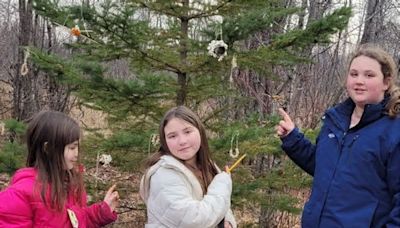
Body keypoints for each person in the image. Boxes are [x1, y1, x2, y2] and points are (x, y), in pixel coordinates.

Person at [276, 43, 400, 227]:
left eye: (369, 75)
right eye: (354, 74)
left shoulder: (393, 131)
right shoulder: (335, 121)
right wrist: (293, 138)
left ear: (386, 82)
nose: (359, 81)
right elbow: (324, 168)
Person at [0, 110, 119, 227]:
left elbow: (77, 221)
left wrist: (102, 212)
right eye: (72, 148)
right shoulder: (18, 195)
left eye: (77, 147)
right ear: (48, 149)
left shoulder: (70, 185)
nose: (77, 153)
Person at [140, 106, 237, 228]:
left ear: (200, 131)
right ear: (165, 141)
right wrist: (223, 183)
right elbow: (194, 220)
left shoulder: (207, 165)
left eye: (187, 131)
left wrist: (227, 221)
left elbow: (221, 203)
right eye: (172, 136)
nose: (182, 141)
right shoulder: (163, 175)